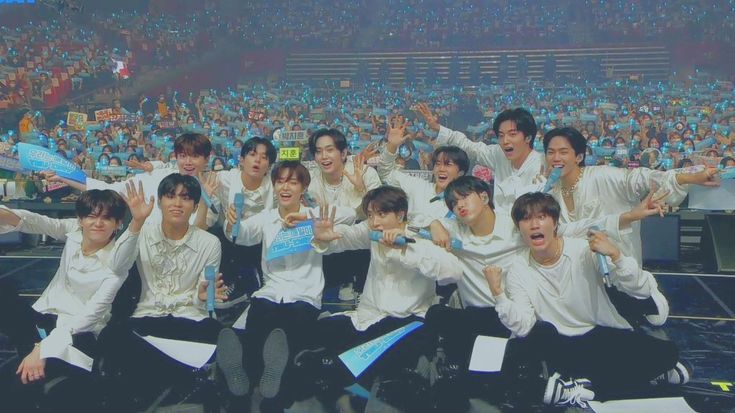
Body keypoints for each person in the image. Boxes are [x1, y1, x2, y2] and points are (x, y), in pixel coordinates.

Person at [486, 192, 689, 407]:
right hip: (557, 342)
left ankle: (579, 386)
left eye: (542, 217)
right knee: (520, 356)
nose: (534, 225)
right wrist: (499, 295)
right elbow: (524, 325)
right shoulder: (518, 267)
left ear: (555, 223)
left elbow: (639, 288)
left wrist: (617, 256)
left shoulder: (583, 250)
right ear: (519, 227)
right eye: (526, 219)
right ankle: (622, 381)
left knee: (668, 354)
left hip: (595, 335)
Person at [302, 186, 462, 412]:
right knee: (318, 333)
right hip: (369, 317)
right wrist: (325, 238)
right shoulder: (372, 231)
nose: (375, 221)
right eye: (370, 215)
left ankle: (358, 388)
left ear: (400, 214)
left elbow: (452, 272)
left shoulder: (420, 237)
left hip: (407, 322)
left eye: (381, 214)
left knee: (373, 362)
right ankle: (346, 385)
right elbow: (345, 237)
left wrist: (404, 249)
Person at [540, 126, 720, 325]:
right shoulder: (550, 193)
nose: (556, 158)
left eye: (563, 152)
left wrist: (687, 177)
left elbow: (641, 178)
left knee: (648, 317)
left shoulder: (603, 176)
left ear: (579, 156)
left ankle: (646, 292)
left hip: (617, 264)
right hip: (579, 274)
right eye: (550, 152)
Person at [0, 186, 152, 412]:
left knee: (24, 381)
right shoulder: (73, 233)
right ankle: (32, 350)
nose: (98, 223)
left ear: (118, 224)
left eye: (107, 218)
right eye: (91, 216)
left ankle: (34, 356)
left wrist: (42, 349)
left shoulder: (117, 263)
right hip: (44, 319)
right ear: (80, 220)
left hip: (79, 331)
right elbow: (35, 221)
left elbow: (90, 316)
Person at [220, 161, 356, 412]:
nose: (285, 187)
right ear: (273, 185)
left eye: (293, 182)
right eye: (280, 181)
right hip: (271, 291)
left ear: (303, 187)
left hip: (305, 296)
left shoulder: (315, 217)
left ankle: (273, 394)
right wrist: (232, 222)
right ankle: (241, 378)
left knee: (289, 336)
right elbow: (241, 235)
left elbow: (349, 213)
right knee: (257, 326)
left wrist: (305, 216)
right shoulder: (267, 218)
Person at [98, 174, 231, 410]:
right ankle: (171, 377)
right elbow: (116, 266)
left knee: (219, 337)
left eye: (185, 198)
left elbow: (204, 292)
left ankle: (157, 378)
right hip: (147, 315)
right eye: (170, 196)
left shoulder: (210, 243)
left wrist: (201, 297)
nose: (177, 204)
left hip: (189, 316)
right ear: (159, 202)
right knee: (111, 338)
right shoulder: (143, 232)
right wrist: (136, 222)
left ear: (195, 206)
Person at [49, 133, 219, 230]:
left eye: (195, 156)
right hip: (147, 251)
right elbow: (108, 188)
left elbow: (200, 230)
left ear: (206, 159)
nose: (188, 162)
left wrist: (204, 202)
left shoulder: (211, 190)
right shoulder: (157, 177)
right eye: (183, 156)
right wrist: (64, 177)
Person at [417, 103, 544, 213]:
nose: (505, 141)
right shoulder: (498, 154)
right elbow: (469, 147)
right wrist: (437, 128)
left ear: (528, 137)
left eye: (512, 134)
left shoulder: (542, 164)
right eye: (501, 135)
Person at [307, 128, 381, 301]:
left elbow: (379, 214)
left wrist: (361, 189)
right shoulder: (311, 180)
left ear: (343, 153)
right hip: (327, 243)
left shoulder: (365, 173)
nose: (324, 156)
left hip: (361, 243)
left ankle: (357, 287)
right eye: (318, 152)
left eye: (330, 150)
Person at [378, 116, 469, 227]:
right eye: (438, 164)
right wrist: (392, 146)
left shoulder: (466, 203)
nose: (441, 169)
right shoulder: (418, 187)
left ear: (461, 173)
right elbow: (386, 174)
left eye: (448, 164)